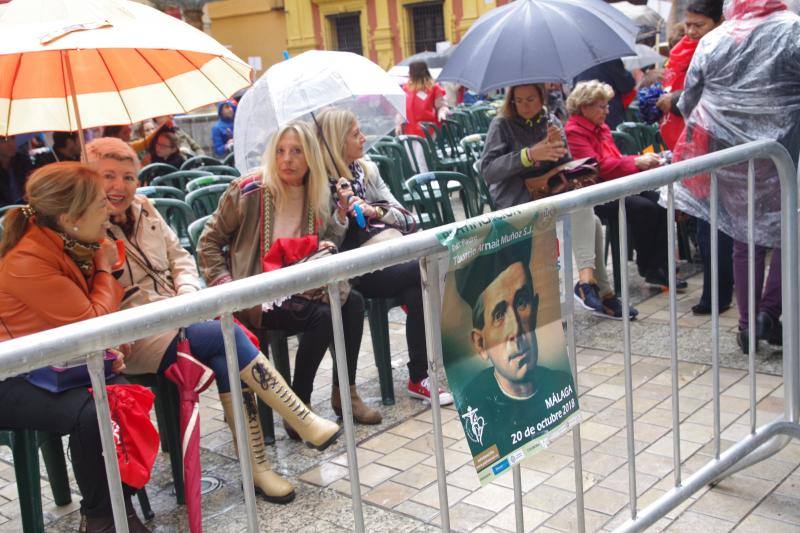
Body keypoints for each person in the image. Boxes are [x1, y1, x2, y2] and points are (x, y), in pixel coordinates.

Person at [90, 137, 341, 504]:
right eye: (108, 176)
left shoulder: (145, 209)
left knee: (227, 354)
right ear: (87, 178)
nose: (119, 186)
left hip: (178, 316)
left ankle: (257, 469)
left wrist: (187, 295)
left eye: (128, 177)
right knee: (225, 333)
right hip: (133, 335)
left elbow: (180, 257)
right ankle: (300, 418)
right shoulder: (85, 230)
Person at [0, 162, 151, 532]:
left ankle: (120, 510)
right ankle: (101, 519)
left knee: (118, 396)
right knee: (95, 408)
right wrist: (102, 268)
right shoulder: (25, 261)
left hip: (50, 365)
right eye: (100, 205)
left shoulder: (69, 242)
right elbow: (90, 324)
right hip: (11, 376)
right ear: (69, 218)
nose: (110, 211)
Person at [197, 122, 372, 434]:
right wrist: (226, 285)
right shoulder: (248, 190)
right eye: (280, 151)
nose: (287, 159)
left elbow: (325, 242)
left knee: (353, 302)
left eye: (296, 152)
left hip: (299, 286)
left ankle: (344, 391)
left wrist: (340, 215)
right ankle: (299, 410)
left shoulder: (316, 191)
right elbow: (208, 243)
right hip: (256, 292)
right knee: (322, 317)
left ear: (310, 158)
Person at [673, 0, 800, 352]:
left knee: (746, 236)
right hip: (785, 151)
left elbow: (689, 100)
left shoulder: (716, 39)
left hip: (731, 156)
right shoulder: (792, 30)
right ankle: (769, 314)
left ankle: (747, 325)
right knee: (787, 232)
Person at [315, 107, 453, 407]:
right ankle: (440, 357)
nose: (363, 138)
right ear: (337, 142)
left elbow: (407, 219)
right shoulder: (318, 187)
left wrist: (376, 210)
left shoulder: (366, 171)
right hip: (355, 269)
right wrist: (340, 212)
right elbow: (326, 243)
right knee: (426, 270)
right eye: (355, 134)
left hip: (391, 255)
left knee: (417, 285)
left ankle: (419, 376)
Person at [453, 220, 577, 459]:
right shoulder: (473, 404)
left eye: (521, 303)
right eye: (499, 315)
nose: (516, 329)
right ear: (480, 344)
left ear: (536, 307)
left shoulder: (559, 383)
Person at [564, 80, 688, 291]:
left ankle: (660, 266)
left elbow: (614, 159)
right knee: (645, 208)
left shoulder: (600, 127)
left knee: (661, 200)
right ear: (585, 107)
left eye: (607, 105)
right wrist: (635, 162)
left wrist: (640, 162)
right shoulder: (574, 132)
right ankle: (651, 268)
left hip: (616, 185)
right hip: (595, 192)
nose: (607, 111)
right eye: (602, 106)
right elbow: (595, 167)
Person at [657, 1, 729, 315]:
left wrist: (673, 100)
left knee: (714, 225)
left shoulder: (722, 51)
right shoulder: (689, 51)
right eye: (687, 25)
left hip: (717, 150)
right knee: (710, 224)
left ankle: (717, 295)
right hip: (693, 148)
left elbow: (704, 97)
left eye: (697, 26)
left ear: (719, 21)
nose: (689, 32)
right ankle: (719, 292)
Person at [480, 84, 570, 210]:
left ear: (541, 98)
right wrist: (528, 156)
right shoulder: (501, 124)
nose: (524, 106)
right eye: (519, 101)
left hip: (552, 193)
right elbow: (488, 171)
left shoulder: (552, 121)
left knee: (590, 220)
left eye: (530, 99)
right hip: (515, 199)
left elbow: (566, 165)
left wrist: (559, 149)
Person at [574, 59, 635, 129]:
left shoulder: (577, 60)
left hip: (585, 119)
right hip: (611, 118)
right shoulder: (609, 58)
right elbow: (627, 85)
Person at [0, 135, 31, 207]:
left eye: (13, 138)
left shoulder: (22, 160)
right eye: (4, 140)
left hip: (28, 207)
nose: (11, 144)